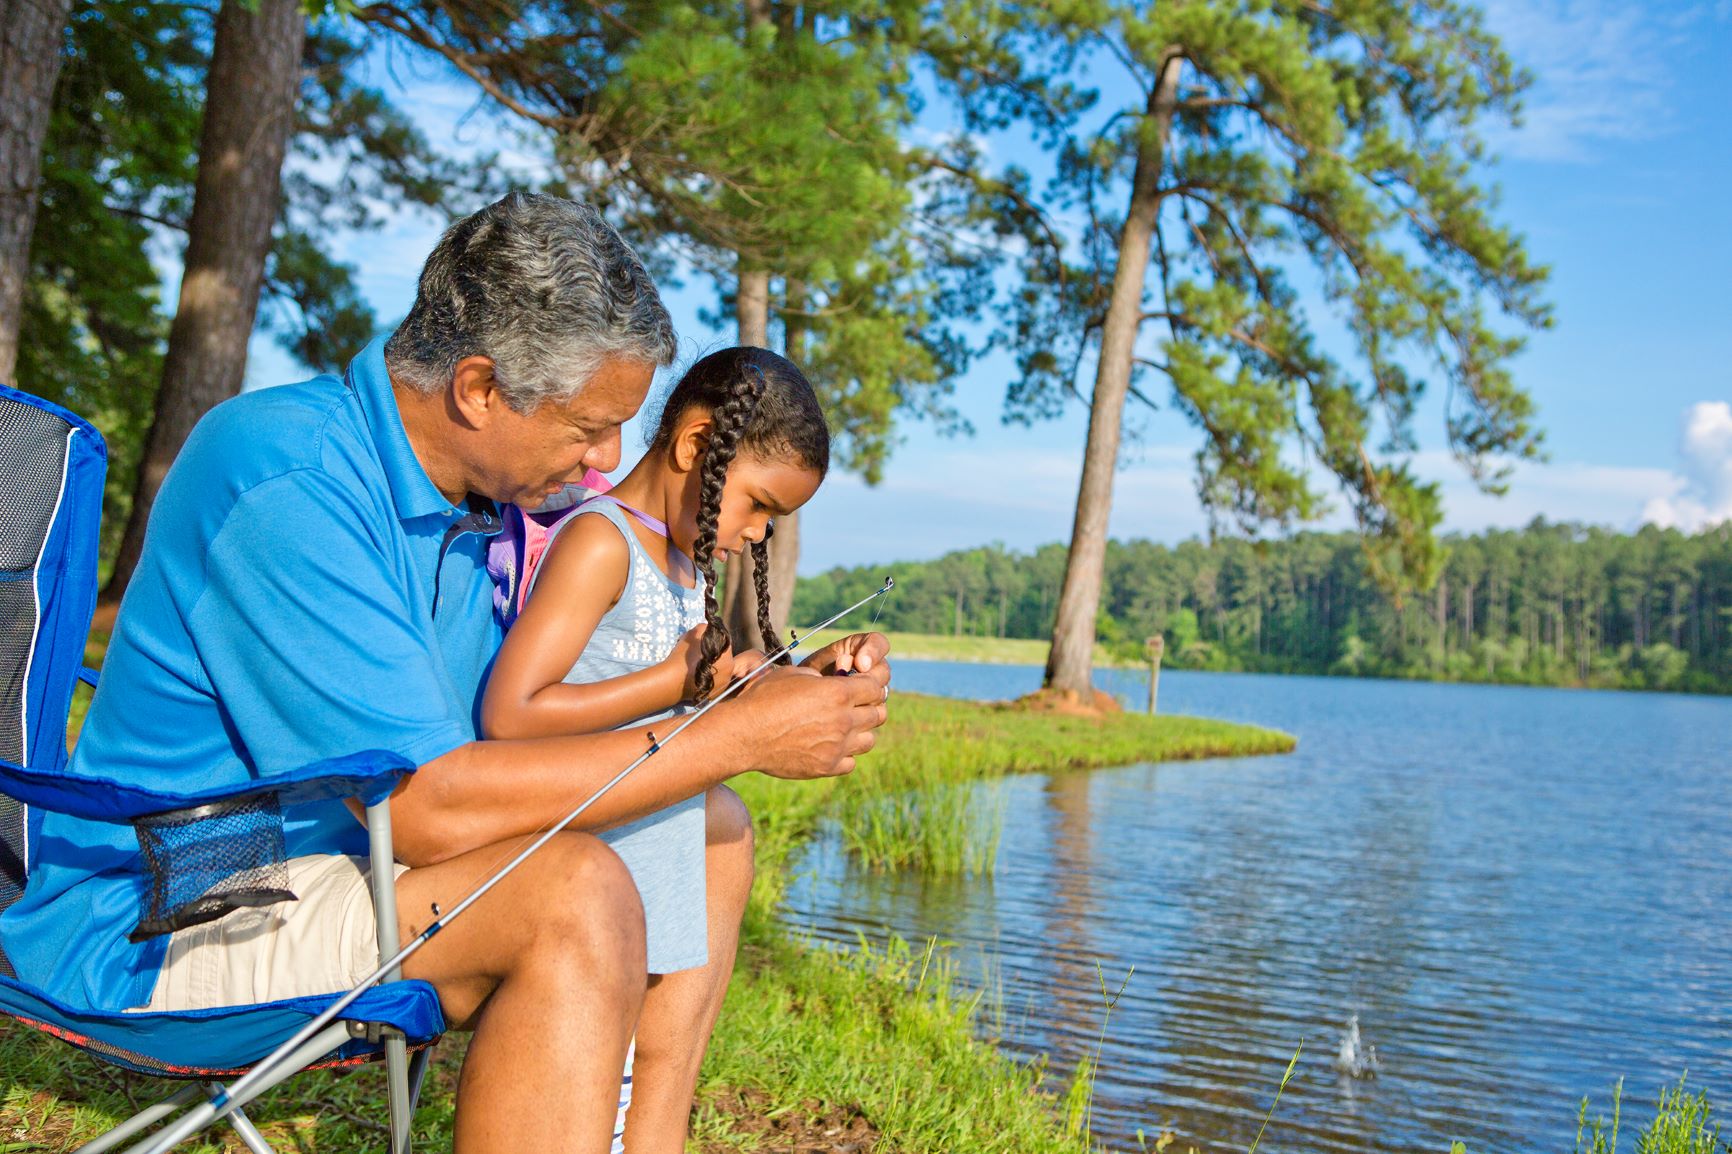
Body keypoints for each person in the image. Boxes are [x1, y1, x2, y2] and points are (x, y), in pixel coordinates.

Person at [0, 192, 891, 1154]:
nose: (606, 460)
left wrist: (756, 697)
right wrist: (734, 736)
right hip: (185, 897)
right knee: (572, 895)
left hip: (342, 859)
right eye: (587, 426)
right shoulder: (288, 476)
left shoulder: (470, 509)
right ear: (478, 389)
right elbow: (426, 807)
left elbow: (511, 738)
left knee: (713, 826)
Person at [482, 346, 830, 1147]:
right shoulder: (600, 542)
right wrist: (672, 680)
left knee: (640, 1074)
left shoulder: (676, 561)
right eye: (757, 504)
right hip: (591, 856)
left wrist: (763, 685)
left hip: (646, 855)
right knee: (591, 1080)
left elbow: (665, 694)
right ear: (695, 444)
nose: (756, 532)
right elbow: (513, 711)